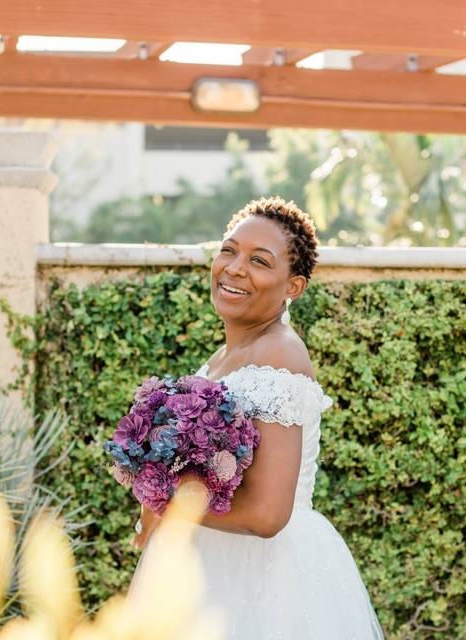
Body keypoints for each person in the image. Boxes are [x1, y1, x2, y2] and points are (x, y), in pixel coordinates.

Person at [130, 197, 384, 638]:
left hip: (265, 578)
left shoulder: (280, 354)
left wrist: (170, 504)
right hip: (202, 565)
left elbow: (267, 514)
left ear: (294, 287)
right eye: (229, 250)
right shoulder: (222, 358)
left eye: (260, 261)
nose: (234, 268)